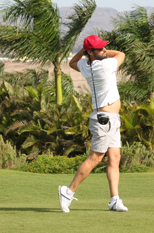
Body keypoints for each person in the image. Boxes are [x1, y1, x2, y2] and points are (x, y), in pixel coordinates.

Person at [58, 35, 127, 213]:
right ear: (91, 52)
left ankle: (114, 199)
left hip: (111, 119)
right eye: (101, 48)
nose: (105, 50)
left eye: (104, 47)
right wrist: (90, 52)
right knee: (96, 158)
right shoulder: (104, 65)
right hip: (104, 120)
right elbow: (121, 54)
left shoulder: (86, 65)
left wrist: (87, 52)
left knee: (114, 158)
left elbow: (73, 62)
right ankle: (68, 191)